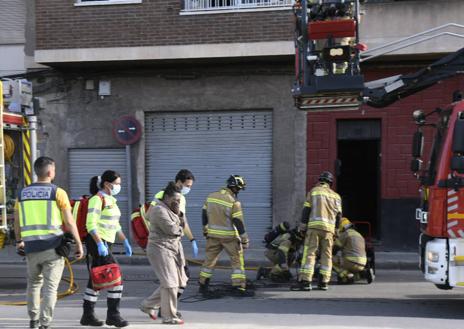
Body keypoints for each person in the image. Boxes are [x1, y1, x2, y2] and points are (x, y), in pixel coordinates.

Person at [14, 156, 84, 329]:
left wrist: (18, 241)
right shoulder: (57, 192)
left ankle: (33, 320)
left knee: (33, 285)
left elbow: (17, 221)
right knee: (50, 288)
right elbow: (69, 221)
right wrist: (78, 243)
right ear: (50, 172)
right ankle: (45, 323)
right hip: (53, 248)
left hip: (30, 248)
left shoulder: (22, 193)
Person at [80, 170, 132, 328]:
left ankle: (87, 315)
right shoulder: (97, 199)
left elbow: (115, 225)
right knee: (116, 277)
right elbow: (90, 224)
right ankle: (113, 315)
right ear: (107, 184)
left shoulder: (111, 200)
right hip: (98, 242)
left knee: (95, 280)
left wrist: (125, 241)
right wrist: (99, 244)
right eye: (117, 183)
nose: (119, 186)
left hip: (106, 242)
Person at [140, 182, 187, 325]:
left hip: (173, 248)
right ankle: (169, 316)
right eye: (175, 200)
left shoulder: (172, 209)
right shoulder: (159, 210)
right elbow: (173, 230)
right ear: (166, 197)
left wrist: (178, 214)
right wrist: (180, 227)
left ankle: (147, 305)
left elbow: (181, 226)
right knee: (170, 283)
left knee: (178, 282)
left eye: (179, 200)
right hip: (160, 249)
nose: (178, 203)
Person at [199, 175, 253, 297]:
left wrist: (205, 229)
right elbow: (238, 222)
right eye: (239, 189)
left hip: (212, 236)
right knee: (236, 261)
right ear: (234, 187)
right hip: (229, 238)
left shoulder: (211, 197)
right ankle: (238, 286)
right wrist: (244, 239)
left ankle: (203, 285)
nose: (239, 191)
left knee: (209, 261)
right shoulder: (234, 202)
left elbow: (204, 213)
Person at [291, 171, 342, 291]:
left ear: (320, 181)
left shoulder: (314, 191)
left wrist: (302, 227)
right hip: (329, 230)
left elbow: (306, 210)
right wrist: (336, 230)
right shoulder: (336, 196)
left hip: (314, 228)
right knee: (327, 255)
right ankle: (324, 282)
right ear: (330, 183)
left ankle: (305, 281)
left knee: (310, 253)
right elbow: (339, 216)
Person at [152, 169, 198, 258]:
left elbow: (183, 221)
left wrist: (192, 240)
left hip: (174, 240)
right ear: (179, 182)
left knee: (181, 270)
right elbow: (149, 215)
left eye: (190, 186)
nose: (189, 189)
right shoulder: (162, 194)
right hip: (162, 242)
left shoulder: (182, 198)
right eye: (187, 186)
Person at [333, 217, 374, 284]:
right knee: (352, 268)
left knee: (327, 258)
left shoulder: (345, 234)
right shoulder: (359, 235)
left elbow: (335, 249)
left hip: (350, 262)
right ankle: (363, 274)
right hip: (362, 263)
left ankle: (347, 276)